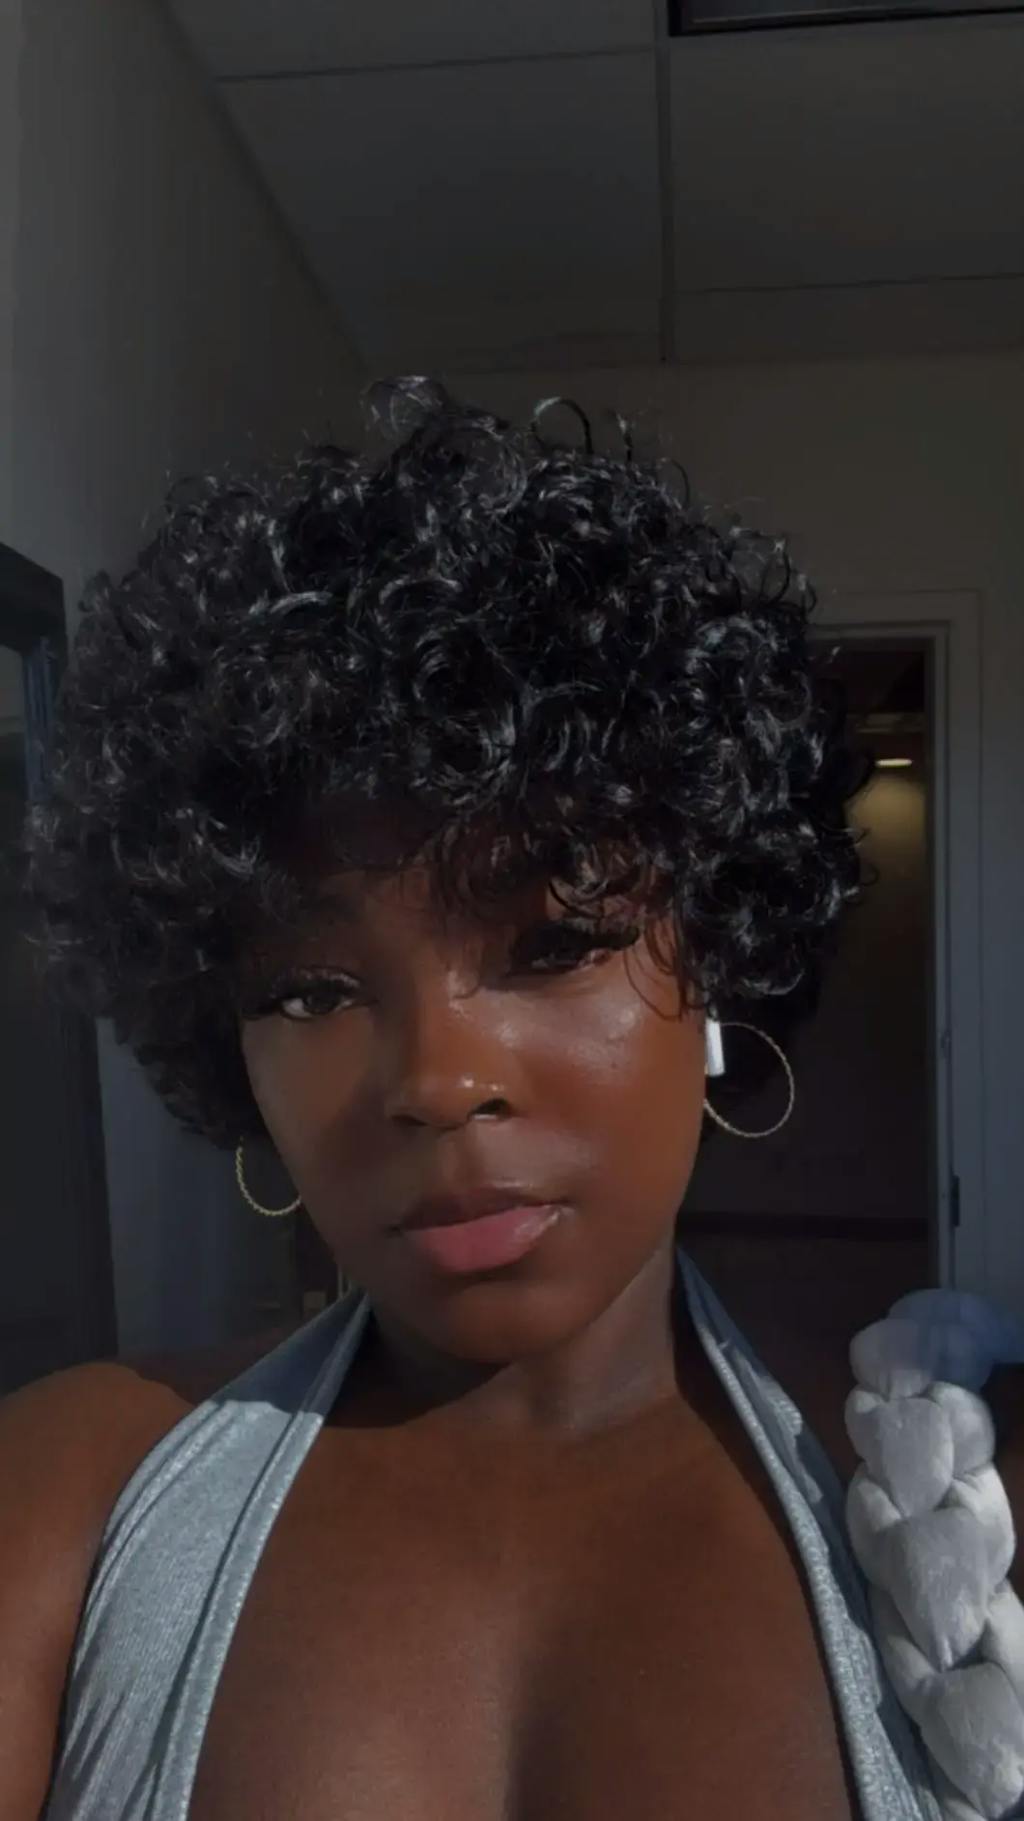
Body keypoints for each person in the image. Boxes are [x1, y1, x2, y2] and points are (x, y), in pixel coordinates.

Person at [1, 379, 958, 1819]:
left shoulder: (964, 1513)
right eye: (311, 991)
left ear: (716, 951)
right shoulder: (68, 1498)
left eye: (555, 943)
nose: (439, 1083)